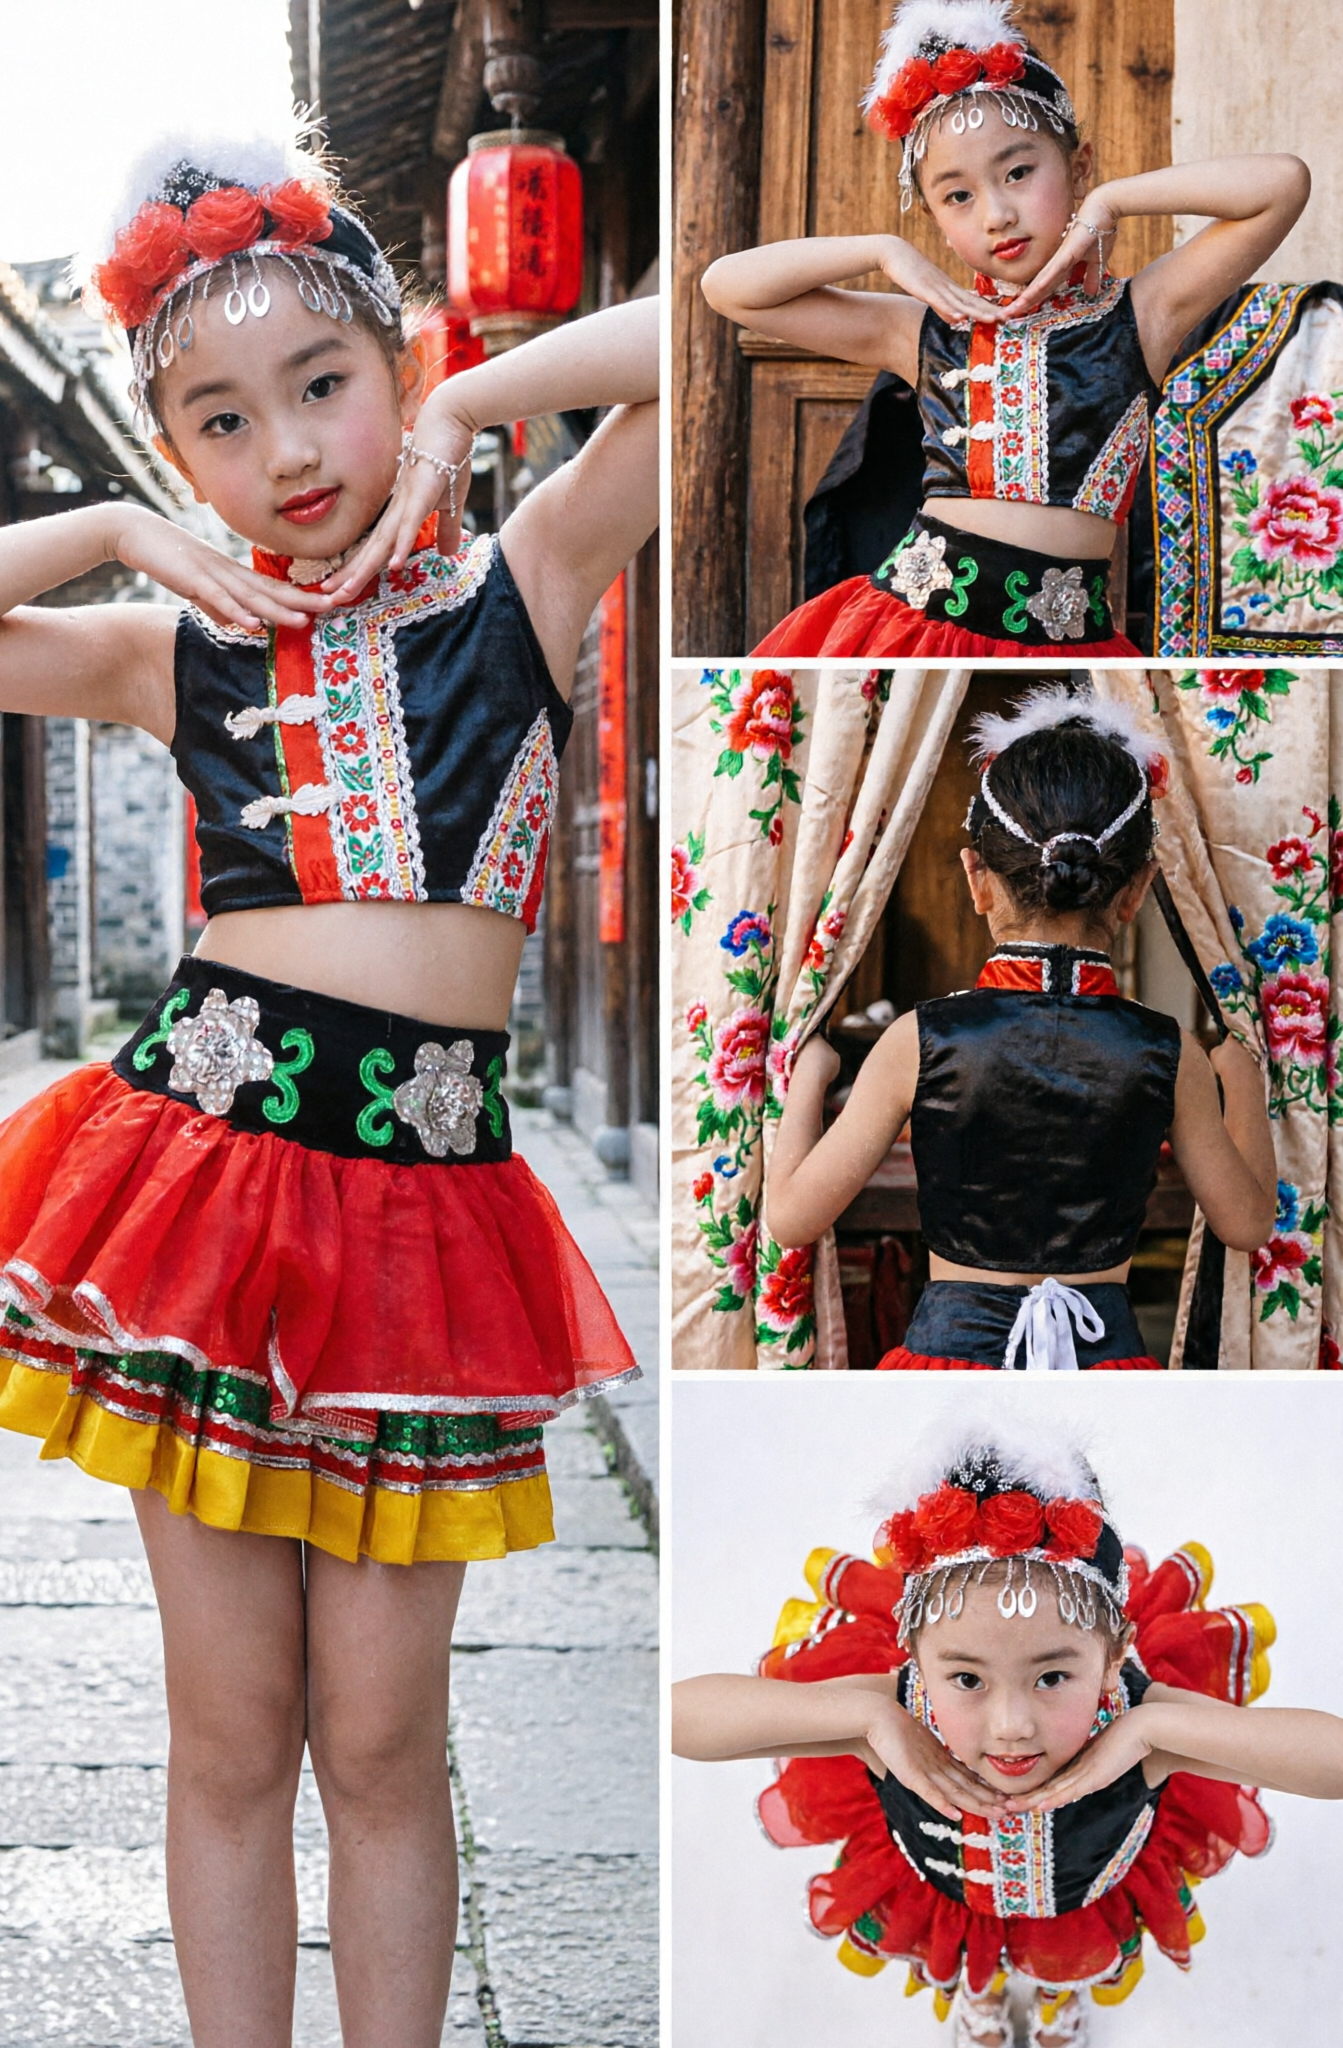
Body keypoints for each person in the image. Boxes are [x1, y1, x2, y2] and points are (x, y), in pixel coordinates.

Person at [0, 126, 654, 2047]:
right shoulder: (170, 647)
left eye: (323, 384)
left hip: (426, 1212)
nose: (284, 450)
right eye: (216, 422)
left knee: (384, 1737)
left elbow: (701, 343)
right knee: (231, 1728)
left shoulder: (522, 581)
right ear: (177, 452)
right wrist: (128, 533)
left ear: (386, 369)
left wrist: (470, 399)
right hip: (204, 1181)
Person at [672, 1422, 1343, 2045]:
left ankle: (1056, 1995)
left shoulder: (1149, 1727)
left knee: (1065, 1953)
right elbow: (682, 1719)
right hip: (953, 1896)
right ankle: (985, 1994)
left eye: (1052, 1678)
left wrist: (1156, 1725)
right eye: (967, 1680)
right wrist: (868, 1717)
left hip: (1083, 1895)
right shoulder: (888, 1717)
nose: (1013, 1726)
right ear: (915, 1658)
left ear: (1113, 1658)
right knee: (975, 1951)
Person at [700, 0, 1309, 658]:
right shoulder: (929, 330)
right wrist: (881, 251)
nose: (996, 213)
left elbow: (1281, 184)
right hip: (913, 632)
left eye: (1019, 172)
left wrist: (1113, 201)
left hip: (1068, 646)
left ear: (1077, 168)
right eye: (957, 195)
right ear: (936, 219)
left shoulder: (1143, 314)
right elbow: (728, 288)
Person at [764, 687, 1275, 1371]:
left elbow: (793, 1216)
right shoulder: (1170, 1053)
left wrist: (811, 1072)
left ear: (977, 879)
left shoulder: (916, 1040)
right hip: (1109, 1370)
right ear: (1137, 889)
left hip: (947, 1368)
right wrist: (1241, 1077)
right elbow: (1249, 1224)